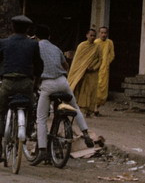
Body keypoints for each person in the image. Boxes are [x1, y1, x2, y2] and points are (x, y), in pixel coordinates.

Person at [31, 24, 95, 165]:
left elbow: (34, 69)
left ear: (36, 37)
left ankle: (42, 149)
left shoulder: (35, 47)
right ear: (49, 36)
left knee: (41, 117)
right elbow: (66, 66)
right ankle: (85, 133)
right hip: (62, 82)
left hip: (47, 84)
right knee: (75, 107)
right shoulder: (56, 48)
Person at [0, 14, 43, 164]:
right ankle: (29, 129)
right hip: (26, 84)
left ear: (13, 27)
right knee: (31, 108)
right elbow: (39, 67)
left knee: (0, 112)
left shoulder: (4, 43)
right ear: (27, 29)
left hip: (7, 83)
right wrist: (36, 83)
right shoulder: (33, 44)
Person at [67, 28, 101, 115]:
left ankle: (89, 110)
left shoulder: (97, 47)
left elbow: (100, 60)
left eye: (94, 36)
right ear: (87, 35)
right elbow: (77, 61)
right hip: (81, 72)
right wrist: (82, 69)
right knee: (79, 88)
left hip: (92, 73)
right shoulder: (81, 46)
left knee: (90, 90)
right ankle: (77, 108)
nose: (92, 37)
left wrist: (93, 67)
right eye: (91, 35)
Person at [94, 26, 115, 116]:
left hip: (104, 69)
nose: (103, 34)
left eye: (105, 33)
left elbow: (112, 55)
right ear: (99, 33)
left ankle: (96, 108)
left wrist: (106, 63)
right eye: (102, 33)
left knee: (103, 89)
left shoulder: (110, 43)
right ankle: (94, 108)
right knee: (96, 88)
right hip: (96, 69)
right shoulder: (95, 42)